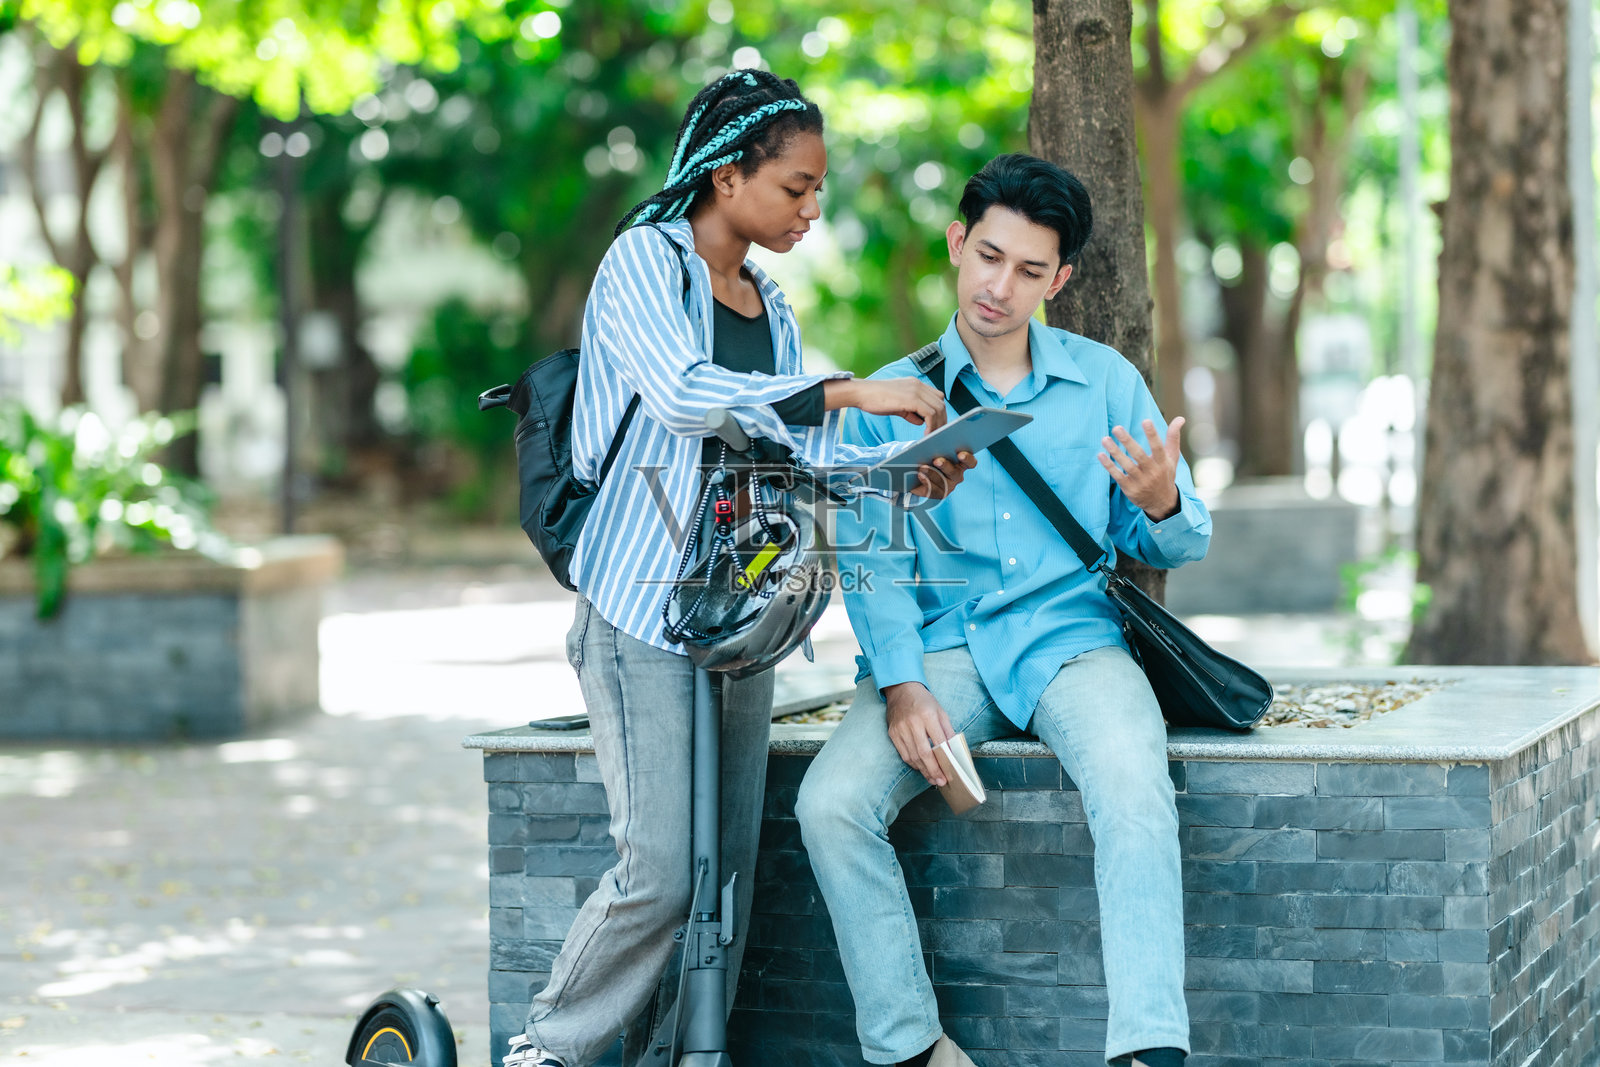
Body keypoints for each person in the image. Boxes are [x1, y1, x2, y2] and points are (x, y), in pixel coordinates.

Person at [503, 70, 972, 1067]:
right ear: (727, 176)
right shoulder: (644, 261)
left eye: (817, 190)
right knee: (664, 869)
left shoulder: (771, 301)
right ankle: (548, 1046)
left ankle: (677, 1055)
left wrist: (906, 469)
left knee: (726, 870)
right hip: (640, 608)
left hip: (740, 613)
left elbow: (796, 451)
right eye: (796, 187)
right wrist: (853, 388)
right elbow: (684, 396)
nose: (812, 209)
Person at [794, 153, 1211, 1067]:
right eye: (988, 256)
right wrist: (902, 685)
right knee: (829, 803)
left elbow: (1179, 540)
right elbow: (871, 558)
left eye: (1028, 270)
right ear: (957, 243)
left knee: (1134, 784)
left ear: (1058, 281)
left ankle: (1149, 1051)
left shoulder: (1105, 382)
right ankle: (913, 1049)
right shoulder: (890, 397)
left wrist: (1161, 503)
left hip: (1073, 642)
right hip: (942, 650)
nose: (999, 286)